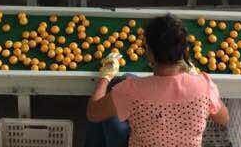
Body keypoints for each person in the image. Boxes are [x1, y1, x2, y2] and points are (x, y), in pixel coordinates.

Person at [85, 14, 229, 147]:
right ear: (185, 51)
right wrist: (195, 77)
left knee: (111, 116)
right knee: (126, 82)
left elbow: (93, 113)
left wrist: (105, 77)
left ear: (149, 53)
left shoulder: (130, 90)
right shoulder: (204, 86)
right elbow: (224, 119)